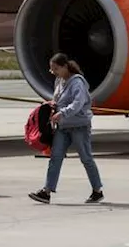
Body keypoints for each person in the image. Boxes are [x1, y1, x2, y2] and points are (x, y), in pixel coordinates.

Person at [28, 53, 104, 205]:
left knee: (86, 158)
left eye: (56, 69)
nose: (54, 72)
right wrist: (52, 105)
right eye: (52, 70)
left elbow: (78, 103)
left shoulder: (77, 83)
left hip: (79, 126)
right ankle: (47, 191)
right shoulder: (59, 81)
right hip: (63, 127)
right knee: (55, 157)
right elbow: (58, 100)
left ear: (64, 67)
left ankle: (97, 190)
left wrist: (62, 113)